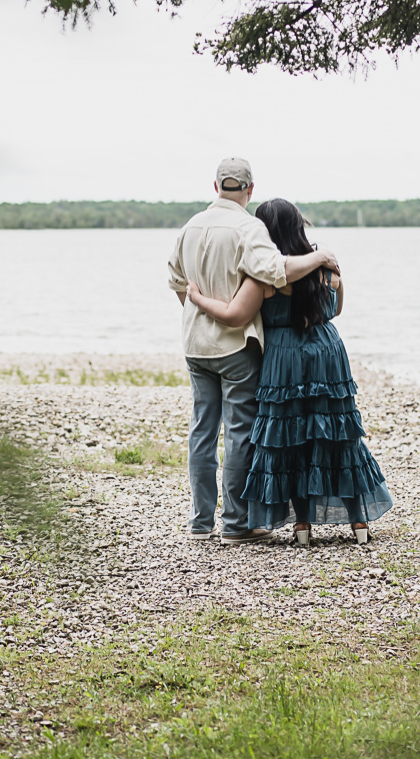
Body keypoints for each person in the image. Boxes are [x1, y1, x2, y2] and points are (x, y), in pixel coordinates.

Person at [186, 197, 393, 545]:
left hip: (285, 355)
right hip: (327, 349)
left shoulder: (266, 278)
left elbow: (236, 312)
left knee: (291, 437)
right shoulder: (325, 266)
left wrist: (196, 298)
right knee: (337, 434)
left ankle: (303, 525)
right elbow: (337, 309)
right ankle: (359, 522)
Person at [168, 158, 341, 545]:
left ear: (215, 187)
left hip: (196, 345)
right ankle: (235, 524)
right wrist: (319, 257)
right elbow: (278, 270)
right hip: (236, 347)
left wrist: (200, 312)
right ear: (249, 189)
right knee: (240, 433)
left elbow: (179, 285)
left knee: (202, 430)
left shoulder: (189, 227)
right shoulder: (250, 228)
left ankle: (199, 524)